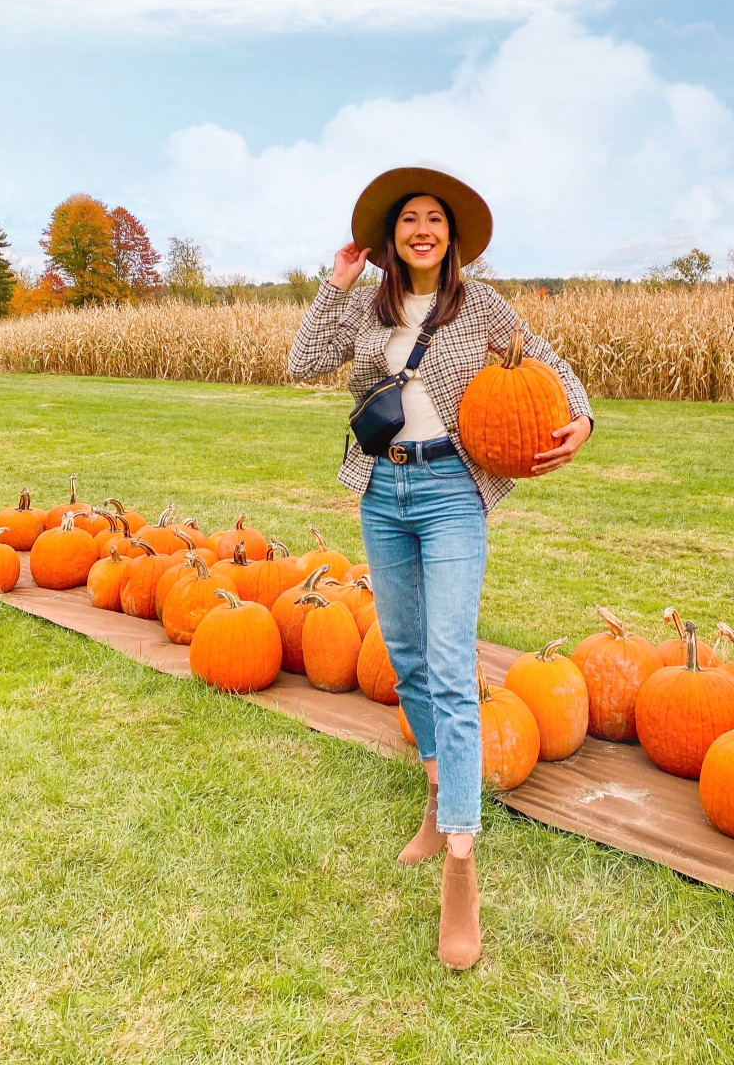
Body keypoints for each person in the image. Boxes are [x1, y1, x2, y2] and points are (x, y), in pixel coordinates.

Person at [288, 167, 593, 969]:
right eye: (409, 220)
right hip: (380, 489)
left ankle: (461, 864)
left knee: (454, 669)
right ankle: (435, 795)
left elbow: (556, 371)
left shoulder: (480, 305)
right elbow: (301, 362)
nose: (422, 229)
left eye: (435, 219)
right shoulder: (363, 301)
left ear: (452, 237)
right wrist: (335, 281)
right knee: (412, 660)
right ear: (391, 237)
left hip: (453, 490)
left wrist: (583, 420)